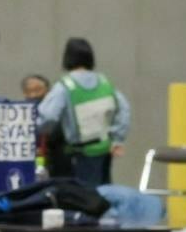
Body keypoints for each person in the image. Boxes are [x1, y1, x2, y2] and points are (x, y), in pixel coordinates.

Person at [38, 37, 130, 187]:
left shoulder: (65, 86)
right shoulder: (104, 82)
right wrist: (117, 138)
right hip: (104, 150)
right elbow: (124, 110)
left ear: (67, 58)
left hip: (79, 155)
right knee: (102, 194)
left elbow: (48, 116)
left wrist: (40, 131)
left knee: (81, 195)